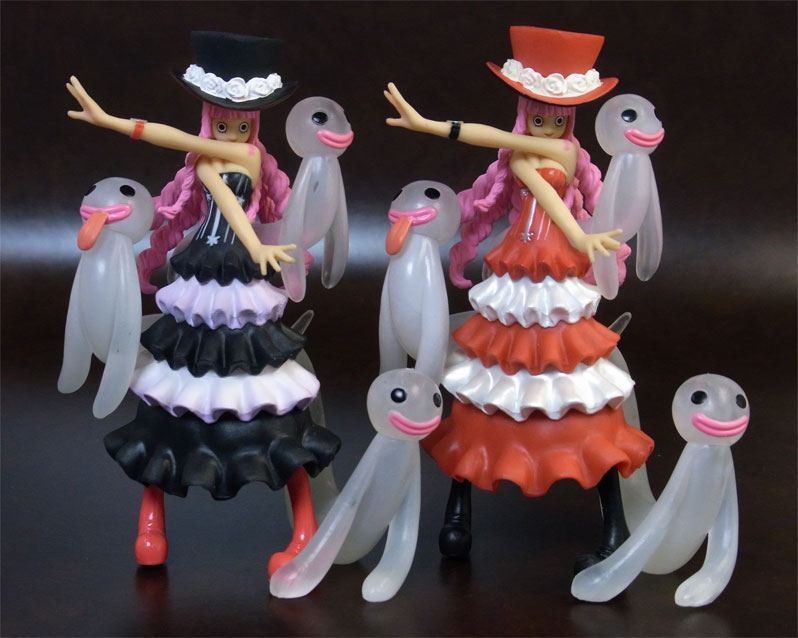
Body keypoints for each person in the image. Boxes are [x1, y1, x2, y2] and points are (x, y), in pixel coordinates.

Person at [67, 31, 340, 575]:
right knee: (172, 397)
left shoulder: (249, 155)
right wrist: (112, 121)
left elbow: (229, 192)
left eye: (243, 124)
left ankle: (303, 527)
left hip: (240, 276)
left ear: (254, 125)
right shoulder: (212, 163)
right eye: (221, 124)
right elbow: (188, 158)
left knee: (272, 401)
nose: (233, 133)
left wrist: (259, 247)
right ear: (208, 121)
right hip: (205, 272)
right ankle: (151, 521)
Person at [385, 26, 653, 569]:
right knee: (486, 380)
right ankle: (459, 507)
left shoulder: (562, 151)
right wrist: (427, 124)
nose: (547, 127)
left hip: (553, 270)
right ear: (524, 114)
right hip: (517, 268)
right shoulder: (527, 155)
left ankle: (613, 518)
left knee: (576, 381)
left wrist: (578, 237)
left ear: (569, 123)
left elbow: (543, 187)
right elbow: (495, 142)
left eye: (558, 119)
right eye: (537, 118)